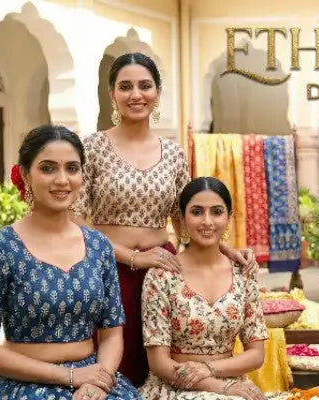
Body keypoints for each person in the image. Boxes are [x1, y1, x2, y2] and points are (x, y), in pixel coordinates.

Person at [76, 52, 257, 386]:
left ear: (157, 93)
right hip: (108, 270)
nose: (136, 94)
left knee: (159, 364)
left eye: (145, 86)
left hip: (163, 270)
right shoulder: (93, 147)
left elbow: (183, 218)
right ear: (112, 94)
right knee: (113, 366)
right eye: (125, 86)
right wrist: (132, 257)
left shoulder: (172, 152)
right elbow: (75, 221)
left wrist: (225, 250)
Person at [0, 125, 140, 399]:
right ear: (25, 174)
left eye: (72, 168)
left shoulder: (98, 246)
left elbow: (111, 335)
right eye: (48, 168)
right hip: (20, 384)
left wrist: (97, 380)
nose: (62, 180)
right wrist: (69, 376)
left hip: (92, 379)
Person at [139, 177, 268, 400]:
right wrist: (219, 387)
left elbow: (256, 354)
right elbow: (159, 363)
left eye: (217, 212)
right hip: (175, 387)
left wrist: (210, 369)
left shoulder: (242, 274)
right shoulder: (161, 275)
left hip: (233, 384)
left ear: (229, 217)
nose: (207, 221)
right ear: (182, 218)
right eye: (197, 212)